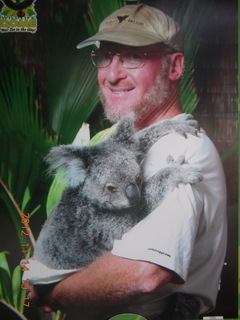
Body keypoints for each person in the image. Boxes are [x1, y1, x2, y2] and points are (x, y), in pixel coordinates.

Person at [28, 3, 227, 319]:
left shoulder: (178, 147)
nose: (112, 74)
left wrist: (54, 291)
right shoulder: (118, 142)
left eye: (134, 57)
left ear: (174, 67)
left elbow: (143, 274)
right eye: (105, 56)